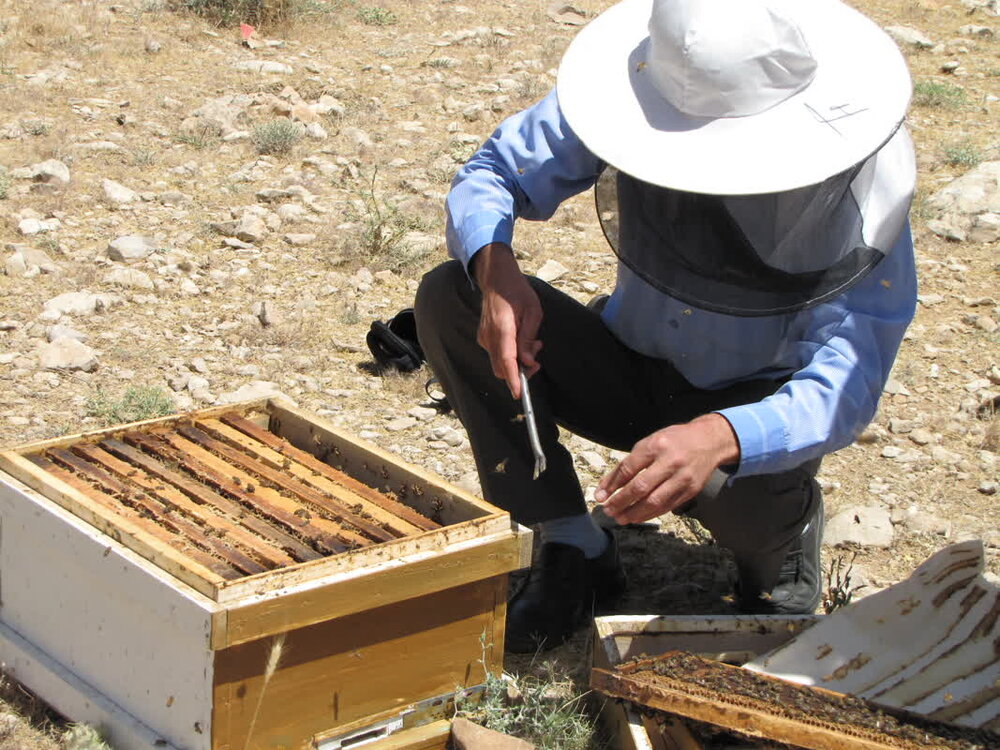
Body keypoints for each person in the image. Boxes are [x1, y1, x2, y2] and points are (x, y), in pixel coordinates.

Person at [414, 0, 917, 653]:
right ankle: (570, 542)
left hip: (748, 411)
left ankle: (780, 555)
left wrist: (721, 435)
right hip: (630, 365)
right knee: (449, 296)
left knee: (752, 488)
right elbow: (494, 172)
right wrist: (495, 270)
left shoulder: (860, 182)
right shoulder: (637, 84)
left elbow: (848, 382)